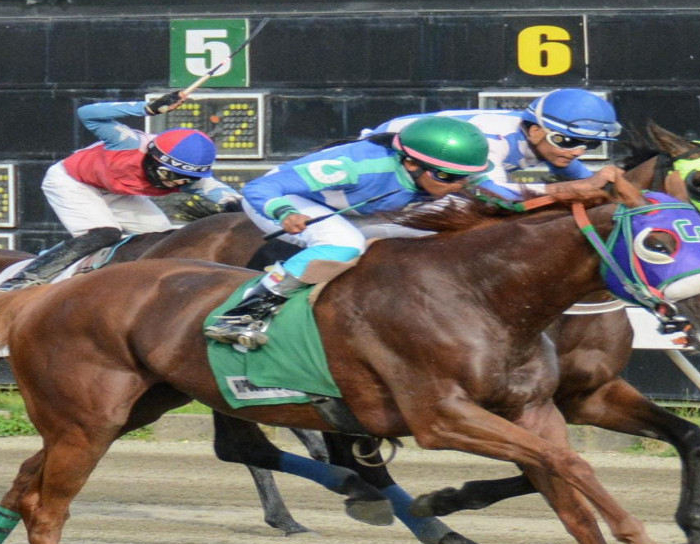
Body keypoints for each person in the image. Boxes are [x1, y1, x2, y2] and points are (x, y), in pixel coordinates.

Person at [203, 115, 493, 349]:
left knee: (442, 233)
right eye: (446, 177)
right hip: (285, 201)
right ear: (411, 162)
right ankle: (241, 314)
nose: (458, 184)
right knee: (344, 243)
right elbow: (258, 188)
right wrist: (284, 212)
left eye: (465, 177)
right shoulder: (357, 168)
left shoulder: (435, 173)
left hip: (353, 210)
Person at [0, 99, 242, 293]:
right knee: (105, 233)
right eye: (170, 173)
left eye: (183, 179)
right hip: (72, 182)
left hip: (117, 192)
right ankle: (25, 278)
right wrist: (146, 108)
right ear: (154, 157)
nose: (175, 183)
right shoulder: (127, 143)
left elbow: (237, 204)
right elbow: (88, 113)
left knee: (162, 241)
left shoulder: (195, 180)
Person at [361, 88, 623, 206]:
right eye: (568, 141)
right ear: (535, 132)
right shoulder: (491, 141)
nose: (578, 152)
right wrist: (571, 189)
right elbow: (494, 192)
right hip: (380, 172)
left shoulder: (544, 141)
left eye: (590, 144)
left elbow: (585, 180)